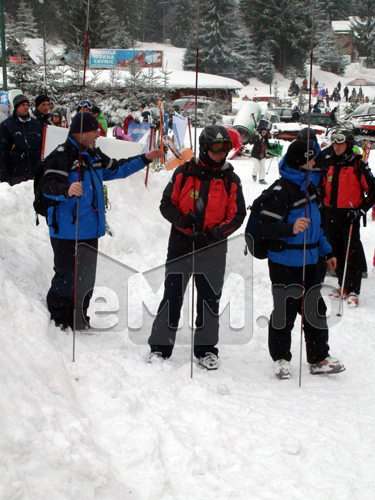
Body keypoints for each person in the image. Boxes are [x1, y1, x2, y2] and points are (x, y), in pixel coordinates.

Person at [39, 112, 163, 330]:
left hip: (89, 229)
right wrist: (66, 190)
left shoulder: (93, 155)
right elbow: (47, 186)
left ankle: (80, 318)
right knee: (67, 275)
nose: (99, 134)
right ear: (82, 133)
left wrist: (145, 158)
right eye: (95, 130)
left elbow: (117, 168)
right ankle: (59, 319)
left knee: (86, 278)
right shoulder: (61, 155)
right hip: (67, 230)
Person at [147, 125, 246, 369]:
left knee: (209, 299)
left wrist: (215, 234)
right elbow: (166, 204)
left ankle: (206, 350)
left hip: (212, 247)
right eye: (215, 149)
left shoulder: (231, 179)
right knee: (172, 294)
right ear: (204, 148)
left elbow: (237, 215)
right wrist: (182, 221)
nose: (220, 154)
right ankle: (160, 347)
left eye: (224, 149)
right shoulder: (184, 172)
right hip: (182, 243)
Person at [257, 140, 345, 379]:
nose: (315, 162)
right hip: (284, 263)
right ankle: (281, 358)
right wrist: (290, 228)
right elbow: (265, 227)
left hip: (310, 262)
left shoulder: (310, 187)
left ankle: (318, 358)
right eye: (311, 158)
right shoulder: (281, 191)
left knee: (315, 309)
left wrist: (327, 252)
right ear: (300, 162)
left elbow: (318, 227)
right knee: (284, 312)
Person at [320, 131, 375, 307]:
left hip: (349, 216)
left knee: (351, 252)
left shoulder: (357, 164)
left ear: (348, 144)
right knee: (334, 252)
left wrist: (361, 210)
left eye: (341, 144)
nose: (337, 147)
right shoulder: (330, 163)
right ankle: (342, 285)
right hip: (330, 214)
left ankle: (353, 290)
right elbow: (322, 186)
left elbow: (373, 191)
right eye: (334, 143)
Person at [0, 94, 43, 185]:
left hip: (35, 172)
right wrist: (3, 175)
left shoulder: (35, 124)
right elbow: (2, 151)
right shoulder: (6, 125)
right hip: (16, 174)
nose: (26, 107)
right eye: (22, 105)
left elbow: (41, 146)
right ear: (16, 107)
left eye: (27, 105)